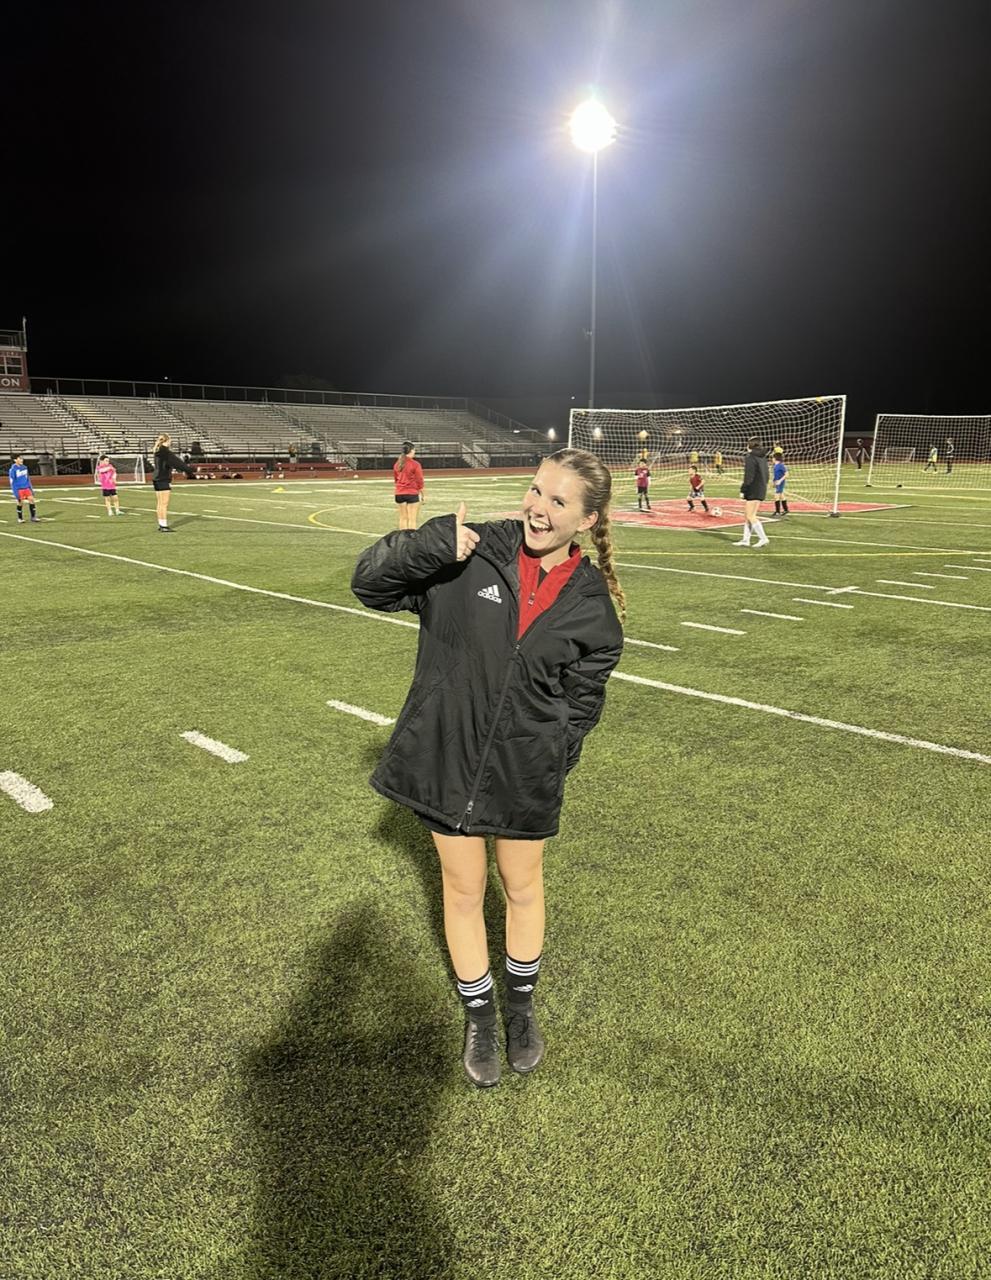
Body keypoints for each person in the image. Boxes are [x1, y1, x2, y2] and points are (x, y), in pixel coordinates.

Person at [351, 449, 625, 1089]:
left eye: (559, 501)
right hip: (447, 756)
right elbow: (369, 585)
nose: (539, 508)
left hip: (524, 770)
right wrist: (427, 546)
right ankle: (480, 1016)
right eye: (536, 490)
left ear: (587, 521)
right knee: (463, 889)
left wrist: (549, 761)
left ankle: (520, 1009)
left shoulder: (593, 608)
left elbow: (582, 704)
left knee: (522, 888)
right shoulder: (469, 550)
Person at [149, 433, 195, 531]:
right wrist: (190, 470)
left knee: (160, 503)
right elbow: (178, 463)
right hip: (163, 479)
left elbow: (172, 463)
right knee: (164, 504)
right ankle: (164, 526)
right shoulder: (165, 452)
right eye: (170, 440)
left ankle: (161, 524)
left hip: (157, 478)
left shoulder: (158, 450)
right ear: (167, 440)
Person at [733, 437, 769, 548]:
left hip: (753, 488)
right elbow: (767, 474)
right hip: (761, 487)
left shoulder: (750, 457)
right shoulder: (762, 457)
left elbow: (748, 476)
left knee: (750, 515)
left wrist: (743, 489)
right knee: (748, 515)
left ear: (750, 445)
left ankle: (763, 538)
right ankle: (746, 540)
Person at [393, 441, 425, 529]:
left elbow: (396, 479)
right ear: (411, 450)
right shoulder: (415, 464)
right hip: (411, 493)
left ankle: (402, 536)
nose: (415, 452)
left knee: (402, 518)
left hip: (399, 493)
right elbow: (420, 480)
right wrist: (423, 494)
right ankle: (411, 537)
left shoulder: (397, 464)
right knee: (412, 519)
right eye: (414, 450)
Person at [8, 455, 39, 523]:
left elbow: (28, 479)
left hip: (26, 488)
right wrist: (16, 492)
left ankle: (33, 517)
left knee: (32, 500)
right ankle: (20, 518)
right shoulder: (12, 469)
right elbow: (12, 482)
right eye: (19, 459)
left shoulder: (25, 467)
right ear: (15, 460)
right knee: (20, 503)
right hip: (19, 489)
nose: (22, 460)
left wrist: (31, 489)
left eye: (22, 458)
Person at [772, 449, 789, 517]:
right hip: (777, 483)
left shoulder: (781, 465)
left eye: (773, 458)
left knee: (776, 496)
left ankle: (777, 512)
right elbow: (776, 475)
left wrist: (780, 481)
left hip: (780, 483)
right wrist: (774, 481)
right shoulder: (775, 466)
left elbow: (787, 474)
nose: (772, 459)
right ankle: (786, 509)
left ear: (775, 458)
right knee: (781, 495)